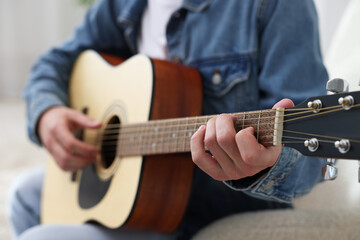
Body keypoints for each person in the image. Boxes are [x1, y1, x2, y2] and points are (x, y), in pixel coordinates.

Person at [8, 0, 329, 239]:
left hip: (204, 208)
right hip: (141, 189)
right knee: (24, 194)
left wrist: (265, 164)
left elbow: (310, 157)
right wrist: (47, 113)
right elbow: (55, 61)